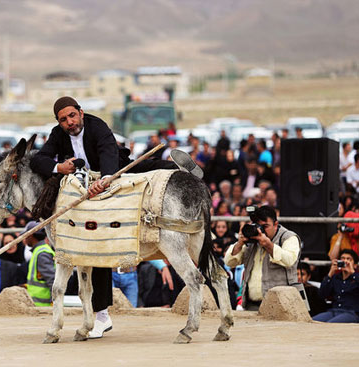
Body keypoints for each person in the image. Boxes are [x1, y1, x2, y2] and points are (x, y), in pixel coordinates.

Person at [29, 96, 199, 338]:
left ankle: (182, 171)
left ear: (81, 112)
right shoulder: (58, 134)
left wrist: (106, 178)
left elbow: (108, 153)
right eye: (63, 119)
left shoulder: (97, 126)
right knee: (94, 248)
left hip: (114, 174)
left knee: (150, 169)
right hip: (85, 192)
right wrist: (59, 167)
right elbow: (38, 159)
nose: (69, 122)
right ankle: (101, 316)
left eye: (72, 115)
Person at [224, 205, 301, 310]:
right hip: (251, 305)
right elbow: (229, 262)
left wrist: (269, 245)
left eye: (265, 226)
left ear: (275, 224)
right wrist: (240, 243)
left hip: (281, 306)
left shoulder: (288, 237)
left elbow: (290, 260)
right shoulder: (252, 239)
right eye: (258, 226)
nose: (261, 231)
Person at [313, 250, 359, 323]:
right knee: (312, 322)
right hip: (333, 311)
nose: (345, 261)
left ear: (355, 265)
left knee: (330, 324)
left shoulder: (356, 277)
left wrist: (352, 273)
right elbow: (322, 294)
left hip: (351, 313)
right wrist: (330, 273)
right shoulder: (335, 278)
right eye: (342, 258)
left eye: (348, 259)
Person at [24, 221, 55, 307]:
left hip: (43, 306)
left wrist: (55, 302)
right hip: (39, 305)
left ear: (30, 235)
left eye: (26, 236)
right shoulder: (40, 251)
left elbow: (52, 279)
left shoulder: (42, 253)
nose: (25, 239)